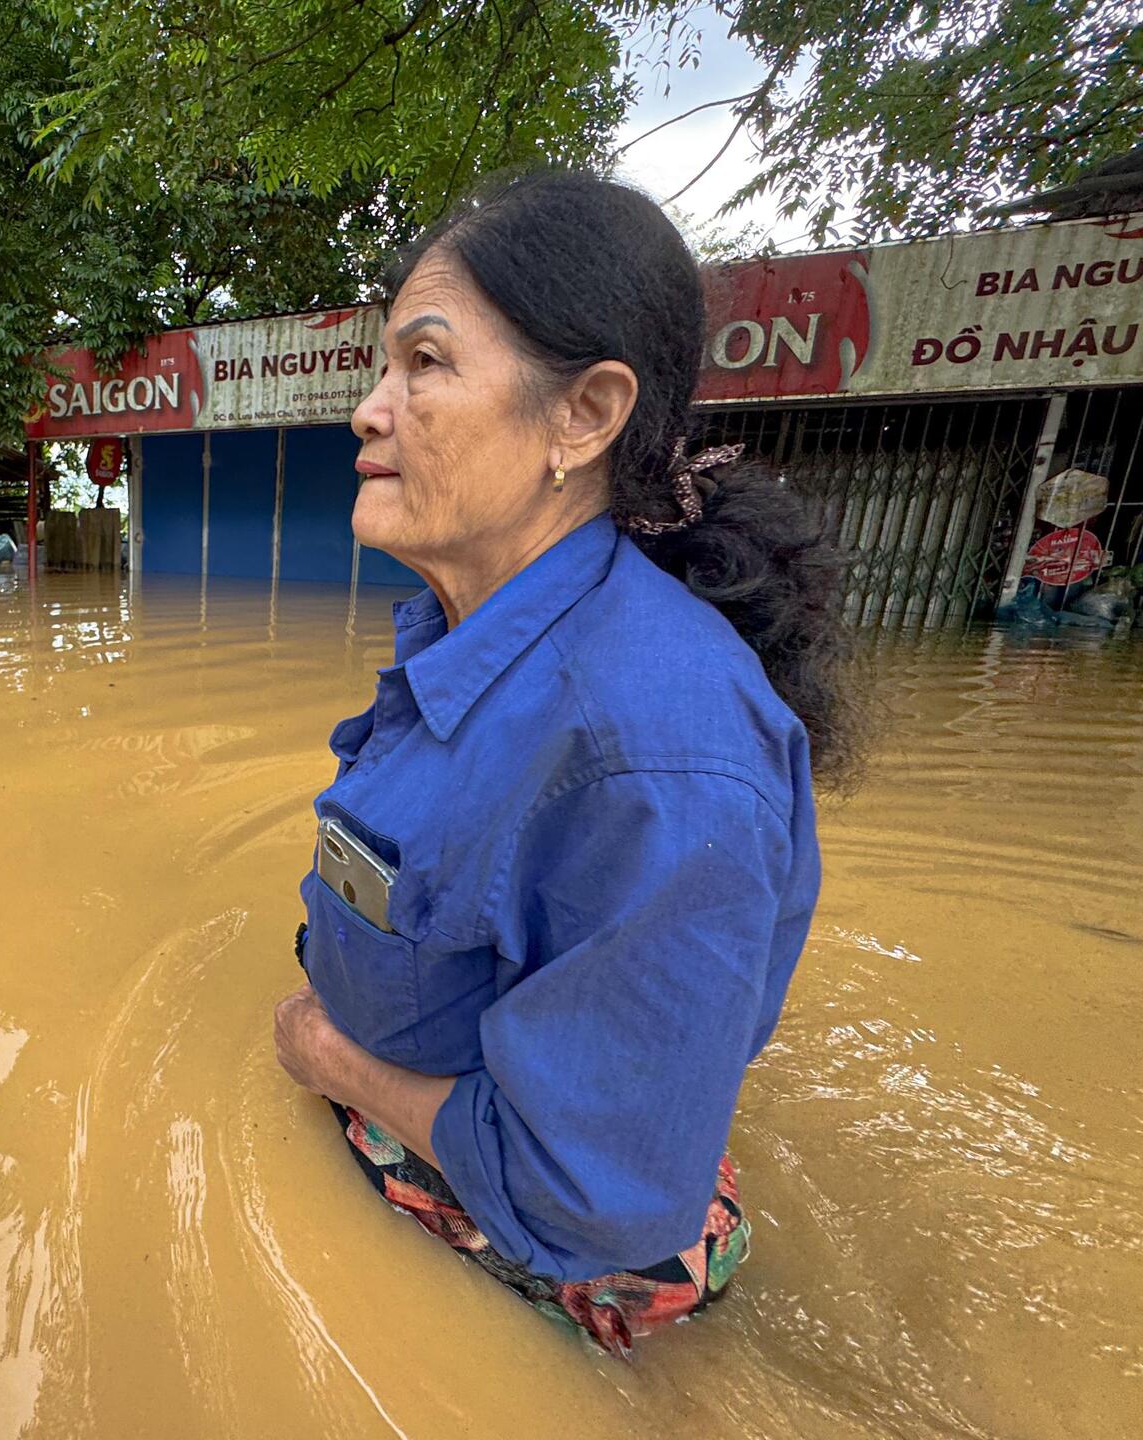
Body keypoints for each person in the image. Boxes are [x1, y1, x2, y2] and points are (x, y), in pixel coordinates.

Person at [271, 170, 861, 1359]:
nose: (369, 410)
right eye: (383, 367)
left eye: (425, 364)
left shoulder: (655, 754)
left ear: (583, 416)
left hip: (554, 1252)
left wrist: (326, 1054)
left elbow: (585, 1198)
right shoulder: (474, 623)